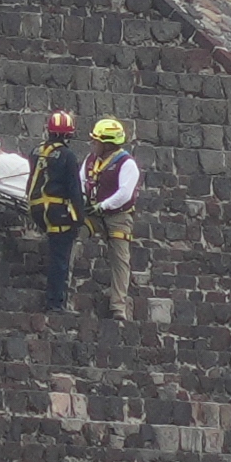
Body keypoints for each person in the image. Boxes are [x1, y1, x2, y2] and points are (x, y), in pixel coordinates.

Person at [82, 118, 140, 321]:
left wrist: (103, 205)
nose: (93, 144)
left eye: (96, 141)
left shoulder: (127, 164)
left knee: (120, 259)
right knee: (72, 235)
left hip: (118, 216)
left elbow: (125, 193)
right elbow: (82, 181)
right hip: (93, 213)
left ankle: (118, 306)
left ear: (107, 144)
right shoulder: (90, 160)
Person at [27, 111, 85, 312]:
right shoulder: (67, 156)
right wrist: (79, 219)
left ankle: (54, 299)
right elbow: (74, 189)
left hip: (37, 208)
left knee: (54, 252)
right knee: (60, 258)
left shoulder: (35, 151)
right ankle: (55, 302)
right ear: (68, 134)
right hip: (57, 211)